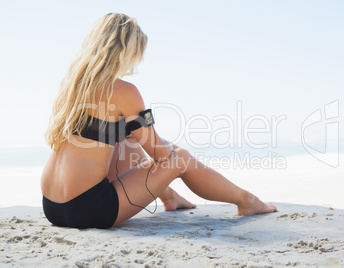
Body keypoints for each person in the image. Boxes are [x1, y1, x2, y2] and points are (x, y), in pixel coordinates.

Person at [41, 13, 277, 229]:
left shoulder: (72, 86)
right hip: (89, 209)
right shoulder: (123, 90)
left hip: (52, 206)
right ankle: (248, 201)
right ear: (126, 51)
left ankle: (170, 197)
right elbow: (160, 154)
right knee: (181, 158)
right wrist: (173, 150)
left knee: (126, 139)